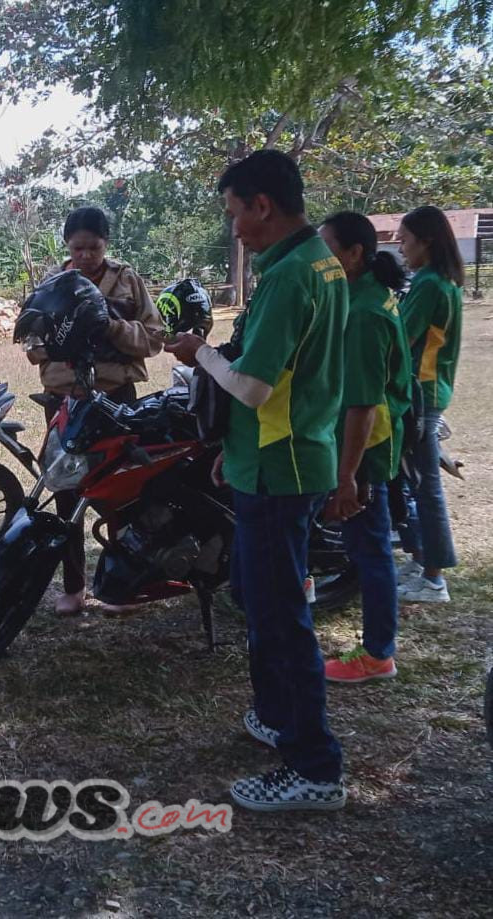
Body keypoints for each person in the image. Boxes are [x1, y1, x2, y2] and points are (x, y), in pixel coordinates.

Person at [166, 150, 347, 812]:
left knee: (279, 619)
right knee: (255, 592)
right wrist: (231, 451)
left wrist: (199, 353)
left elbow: (250, 384)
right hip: (270, 456)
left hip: (281, 467)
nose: (234, 227)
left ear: (261, 205)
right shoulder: (319, 262)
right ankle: (277, 715)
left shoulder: (290, 277)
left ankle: (314, 766)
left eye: (235, 212)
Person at [26, 205, 164, 615]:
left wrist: (109, 326)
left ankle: (121, 586)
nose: (86, 255)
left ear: (107, 243)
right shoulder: (52, 284)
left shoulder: (127, 281)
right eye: (78, 247)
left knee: (121, 494)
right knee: (66, 494)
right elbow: (32, 347)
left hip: (116, 400)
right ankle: (73, 588)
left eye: (94, 247)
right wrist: (63, 337)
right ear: (67, 244)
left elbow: (154, 339)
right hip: (65, 401)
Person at [318, 211, 412, 684]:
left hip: (365, 449)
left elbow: (362, 406)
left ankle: (378, 653)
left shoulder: (363, 315)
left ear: (354, 255)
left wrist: (346, 476)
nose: (320, 257)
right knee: (365, 546)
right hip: (361, 443)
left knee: (370, 549)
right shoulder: (361, 295)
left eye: (328, 247)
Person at [394, 205, 464, 603]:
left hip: (421, 393)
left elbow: (399, 337)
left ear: (427, 241)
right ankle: (423, 562)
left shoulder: (429, 286)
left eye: (405, 240)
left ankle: (434, 578)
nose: (401, 248)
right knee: (415, 482)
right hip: (428, 392)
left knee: (425, 487)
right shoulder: (441, 282)